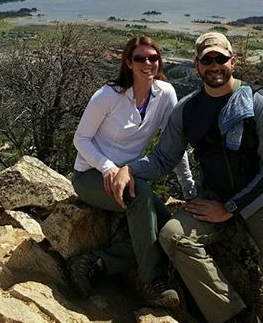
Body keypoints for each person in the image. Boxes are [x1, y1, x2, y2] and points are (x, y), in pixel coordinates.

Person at [112, 31, 263, 323]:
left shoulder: (260, 103)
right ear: (197, 65)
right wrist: (129, 169)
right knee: (173, 236)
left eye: (220, 59)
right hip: (215, 196)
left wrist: (231, 208)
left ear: (232, 62)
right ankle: (231, 316)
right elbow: (163, 158)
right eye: (207, 59)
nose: (214, 66)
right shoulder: (188, 110)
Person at [70, 35, 195, 309]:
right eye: (140, 58)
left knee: (167, 230)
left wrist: (189, 188)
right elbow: (80, 139)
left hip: (131, 177)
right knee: (140, 196)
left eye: (153, 58)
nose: (147, 63)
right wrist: (108, 168)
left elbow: (174, 147)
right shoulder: (108, 96)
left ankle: (97, 262)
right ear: (128, 63)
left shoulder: (165, 95)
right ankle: (153, 283)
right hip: (90, 176)